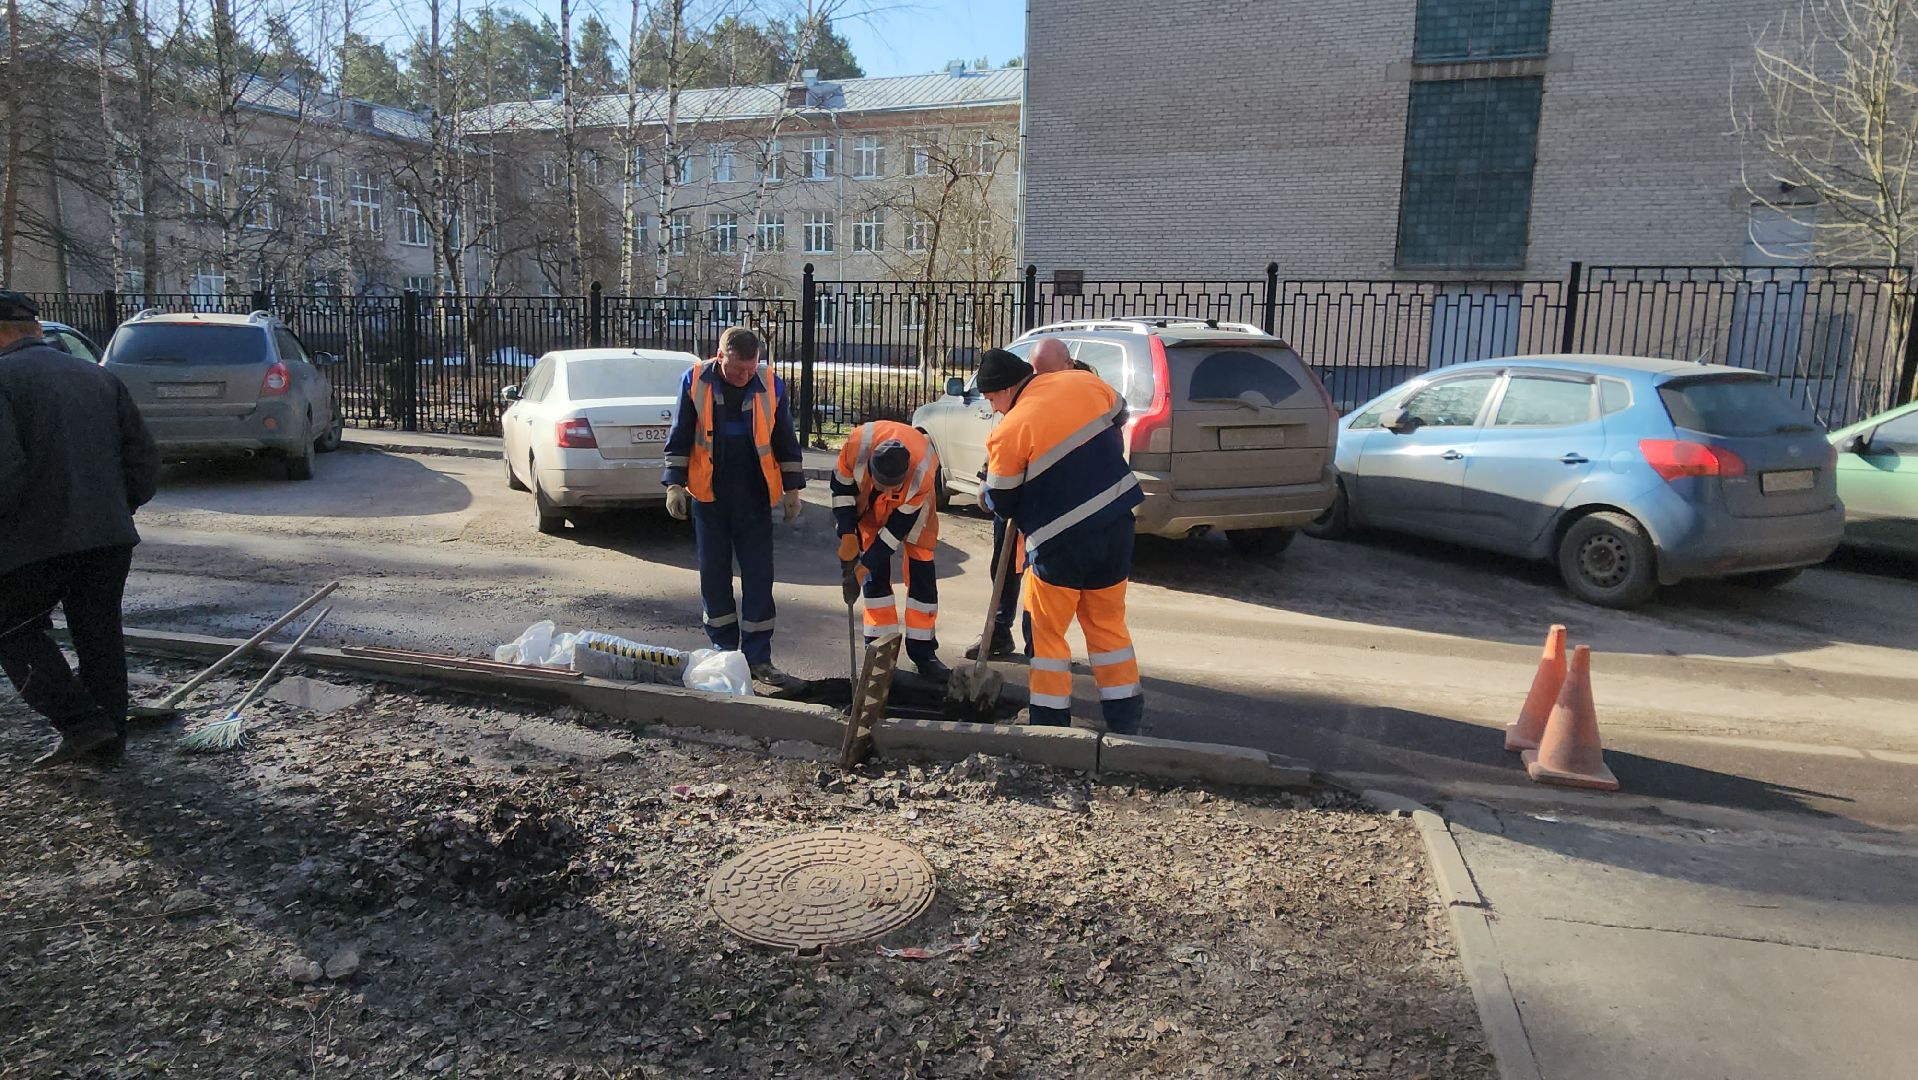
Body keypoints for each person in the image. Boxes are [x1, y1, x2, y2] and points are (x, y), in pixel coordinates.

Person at [0, 291, 160, 767]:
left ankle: (80, 722)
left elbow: (3, 472)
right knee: (99, 636)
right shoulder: (98, 377)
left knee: (12, 630)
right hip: (108, 537)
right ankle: (106, 748)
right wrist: (114, 509)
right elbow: (144, 465)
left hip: (32, 541)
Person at [975, 347, 1144, 732]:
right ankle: (1125, 720)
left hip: (1059, 542)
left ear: (1005, 390)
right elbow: (1120, 415)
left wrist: (987, 492)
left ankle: (1050, 725)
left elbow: (1003, 501)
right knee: (1108, 625)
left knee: (1047, 635)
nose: (994, 409)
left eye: (991, 400)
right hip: (1117, 525)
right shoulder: (1085, 382)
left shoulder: (1010, 429)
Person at [661, 326, 806, 689]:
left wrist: (793, 490)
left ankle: (758, 658)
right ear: (719, 355)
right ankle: (724, 654)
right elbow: (680, 434)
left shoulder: (771, 384)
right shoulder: (694, 381)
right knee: (714, 576)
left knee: (759, 576)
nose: (744, 376)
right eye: (737, 369)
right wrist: (675, 484)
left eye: (750, 368)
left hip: (754, 497)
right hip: (710, 497)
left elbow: (785, 438)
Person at [968, 337, 1096, 661]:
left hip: (1051, 502)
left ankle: (1038, 644)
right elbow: (1007, 439)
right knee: (1004, 565)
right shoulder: (1020, 395)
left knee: (1041, 573)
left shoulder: (1077, 390)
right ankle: (998, 632)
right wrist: (989, 479)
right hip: (1016, 493)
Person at [831, 421, 950, 681]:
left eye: (891, 486)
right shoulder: (854, 448)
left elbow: (896, 530)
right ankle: (879, 650)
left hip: (913, 509)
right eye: (882, 483)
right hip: (869, 505)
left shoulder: (922, 475)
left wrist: (863, 566)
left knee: (921, 568)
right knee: (876, 579)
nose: (886, 490)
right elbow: (841, 492)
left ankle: (924, 653)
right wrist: (847, 533)